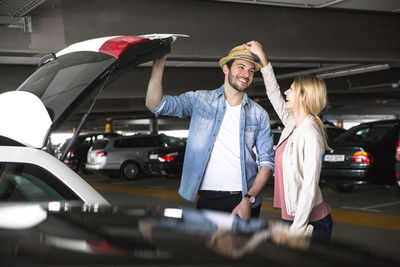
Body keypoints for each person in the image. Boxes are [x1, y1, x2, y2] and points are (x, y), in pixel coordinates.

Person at [145, 45, 275, 219]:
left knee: (242, 247)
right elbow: (155, 105)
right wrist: (158, 64)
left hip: (244, 198)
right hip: (209, 196)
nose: (246, 74)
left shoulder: (259, 114)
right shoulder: (200, 100)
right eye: (241, 67)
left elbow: (267, 163)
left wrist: (248, 199)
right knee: (210, 247)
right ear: (226, 68)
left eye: (251, 71)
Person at [244, 41, 333, 240]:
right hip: (292, 218)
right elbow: (274, 93)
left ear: (303, 96)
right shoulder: (292, 124)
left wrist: (296, 231)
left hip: (309, 222)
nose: (286, 92)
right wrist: (262, 58)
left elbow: (309, 187)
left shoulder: (310, 132)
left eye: (291, 89)